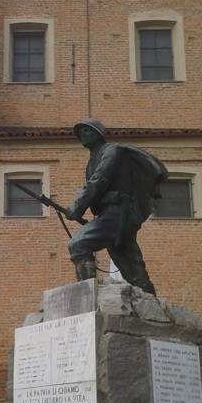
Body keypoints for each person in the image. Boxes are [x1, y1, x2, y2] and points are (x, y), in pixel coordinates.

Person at [64, 119, 168, 295]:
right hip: (112, 214)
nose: (82, 135)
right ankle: (151, 300)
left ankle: (87, 296)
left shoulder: (112, 151)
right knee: (130, 265)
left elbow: (99, 181)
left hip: (119, 211)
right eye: (80, 133)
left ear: (98, 134)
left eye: (87, 131)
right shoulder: (91, 161)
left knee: (78, 244)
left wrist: (76, 208)